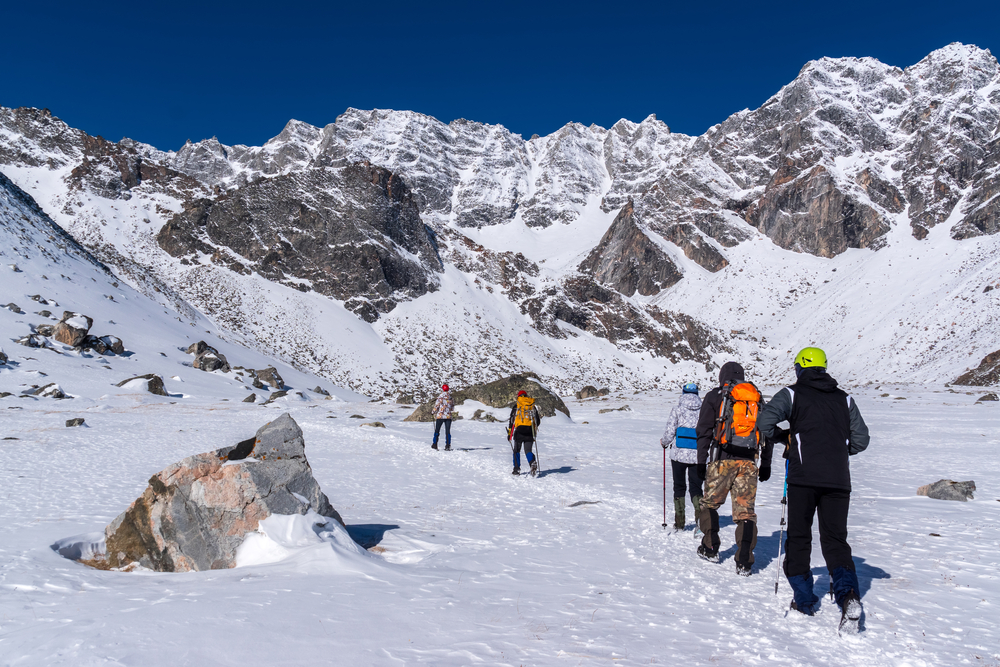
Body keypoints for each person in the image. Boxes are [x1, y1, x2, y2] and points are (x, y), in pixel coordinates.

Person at [758, 347, 870, 626]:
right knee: (835, 540)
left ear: (799, 368)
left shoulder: (792, 394)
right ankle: (848, 597)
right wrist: (838, 451)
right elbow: (861, 440)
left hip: (802, 479)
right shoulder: (845, 399)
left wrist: (787, 438)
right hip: (838, 481)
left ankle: (804, 600)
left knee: (799, 538)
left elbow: (764, 423)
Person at [695, 361, 773, 576]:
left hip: (722, 460)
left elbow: (703, 431)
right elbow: (767, 433)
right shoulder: (756, 397)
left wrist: (701, 461)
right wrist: (766, 463)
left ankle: (710, 548)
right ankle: (744, 561)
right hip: (749, 462)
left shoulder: (715, 396)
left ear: (722, 376)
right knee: (745, 512)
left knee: (709, 503)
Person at [660, 382, 703, 530]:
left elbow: (670, 430)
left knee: (679, 487)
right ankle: (700, 521)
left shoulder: (677, 409)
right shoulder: (703, 410)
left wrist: (664, 442)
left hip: (678, 455)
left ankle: (679, 523)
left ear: (683, 393)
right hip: (697, 455)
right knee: (696, 488)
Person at [507, 390, 541, 475]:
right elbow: (538, 421)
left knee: (516, 450)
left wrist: (509, 434)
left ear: (518, 397)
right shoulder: (532, 406)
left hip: (519, 432)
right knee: (528, 450)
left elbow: (512, 421)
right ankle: (532, 462)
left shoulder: (517, 407)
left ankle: (516, 469)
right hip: (530, 431)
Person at [431, 383, 454, 451]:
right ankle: (448, 445)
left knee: (437, 430)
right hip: (448, 417)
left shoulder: (440, 398)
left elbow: (436, 406)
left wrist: (433, 412)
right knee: (448, 432)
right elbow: (452, 408)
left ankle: (435, 444)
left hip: (440, 416)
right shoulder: (451, 398)